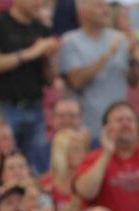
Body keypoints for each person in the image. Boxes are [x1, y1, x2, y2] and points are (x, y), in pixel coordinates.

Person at [0, 0, 58, 172]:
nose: (39, 3)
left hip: (34, 109)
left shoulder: (41, 29)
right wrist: (31, 53)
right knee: (2, 166)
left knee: (37, 167)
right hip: (3, 109)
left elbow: (50, 80)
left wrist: (49, 59)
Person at [59, 0, 139, 140]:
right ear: (82, 11)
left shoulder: (120, 38)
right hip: (89, 125)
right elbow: (76, 80)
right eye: (99, 5)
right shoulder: (71, 41)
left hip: (120, 122)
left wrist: (133, 60)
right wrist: (108, 54)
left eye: (106, 6)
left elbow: (132, 82)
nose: (105, 10)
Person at [74, 101, 139, 211]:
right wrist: (107, 153)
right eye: (119, 120)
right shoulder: (94, 159)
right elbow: (86, 192)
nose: (125, 124)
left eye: (130, 120)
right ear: (105, 129)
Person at [39, 128, 87, 211]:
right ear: (62, 153)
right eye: (75, 150)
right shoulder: (45, 184)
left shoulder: (88, 181)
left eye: (83, 149)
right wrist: (70, 209)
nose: (83, 155)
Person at [36, 98, 94, 173]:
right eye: (61, 116)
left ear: (81, 118)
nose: (67, 121)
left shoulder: (96, 147)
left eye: (72, 116)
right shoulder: (40, 153)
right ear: (52, 119)